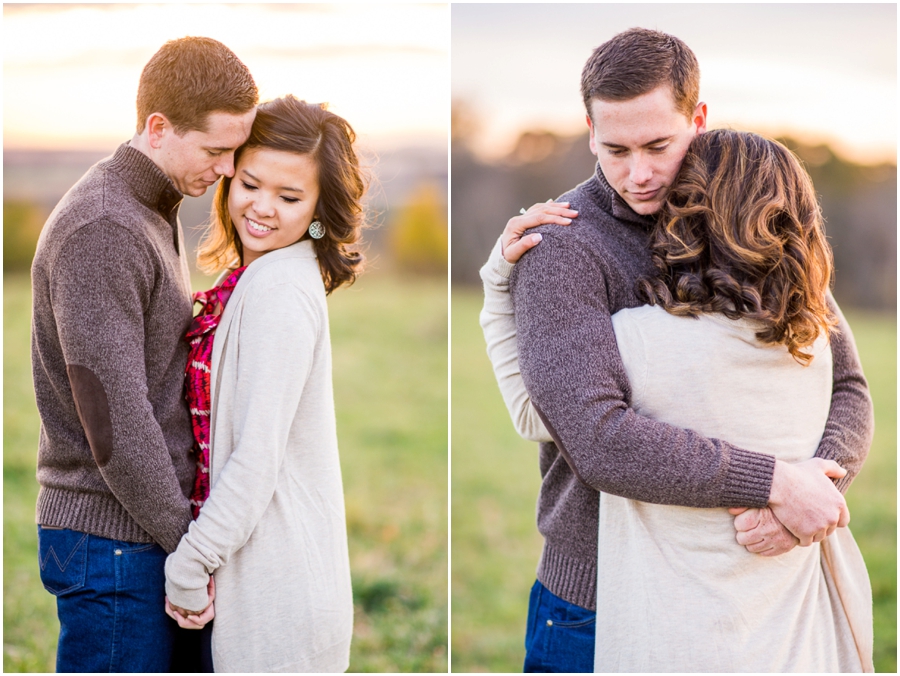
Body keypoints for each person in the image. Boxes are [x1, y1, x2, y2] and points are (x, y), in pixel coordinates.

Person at [478, 28, 873, 672]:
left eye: (659, 145)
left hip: (759, 593)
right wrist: (775, 482)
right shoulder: (564, 249)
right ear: (588, 131)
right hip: (598, 603)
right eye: (616, 149)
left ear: (698, 118)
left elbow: (845, 382)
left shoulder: (742, 212)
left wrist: (816, 492)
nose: (639, 174)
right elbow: (596, 436)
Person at [30, 37, 257, 672]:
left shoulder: (149, 209)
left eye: (234, 150)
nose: (228, 168)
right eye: (216, 149)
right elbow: (115, 423)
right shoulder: (105, 227)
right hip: (112, 543)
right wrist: (191, 549)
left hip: (140, 534)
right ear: (158, 128)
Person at [162, 95, 362, 673]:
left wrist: (190, 564)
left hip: (274, 587)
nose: (263, 208)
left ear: (320, 209)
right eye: (251, 183)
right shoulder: (254, 278)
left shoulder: (278, 292)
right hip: (250, 568)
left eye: (290, 196)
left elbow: (255, 458)